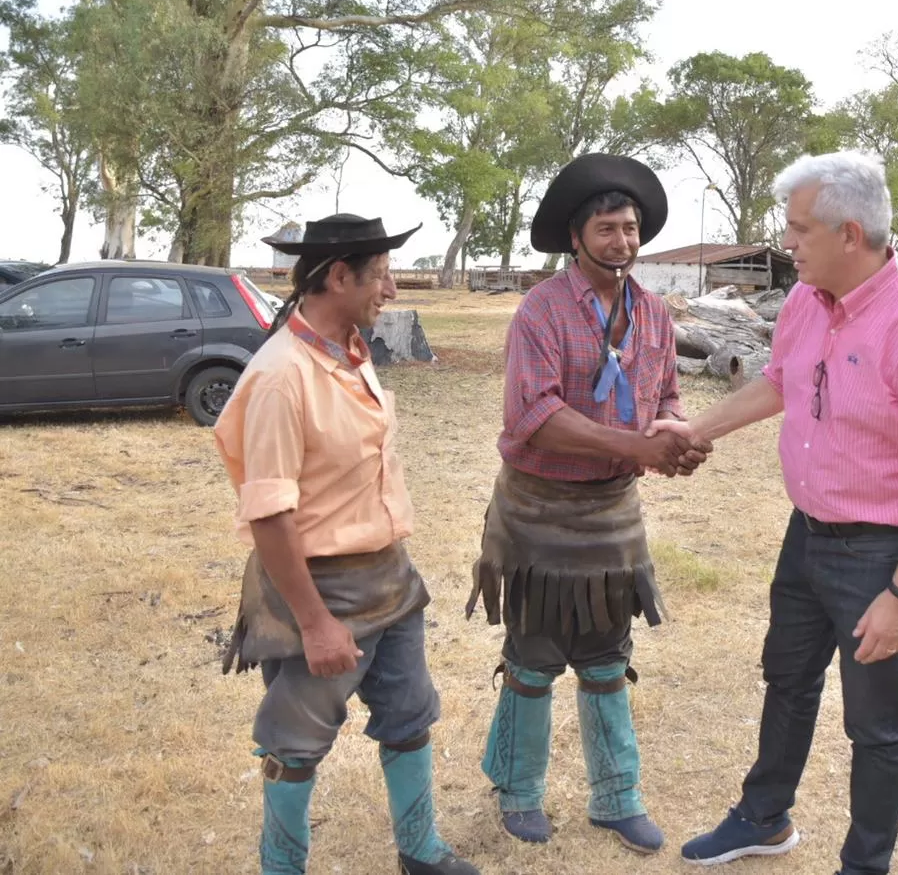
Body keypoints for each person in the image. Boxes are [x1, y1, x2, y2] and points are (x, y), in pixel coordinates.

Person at [655, 151, 898, 874]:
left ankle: (865, 865)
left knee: (875, 724)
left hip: (879, 556)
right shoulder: (806, 300)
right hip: (805, 536)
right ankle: (764, 819)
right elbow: (780, 382)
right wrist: (695, 430)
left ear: (851, 233)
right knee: (787, 680)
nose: (788, 243)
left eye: (800, 229)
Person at [213, 213, 479, 875]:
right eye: (381, 276)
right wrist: (315, 623)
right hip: (320, 590)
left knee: (410, 717)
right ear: (339, 276)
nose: (389, 289)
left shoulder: (351, 354)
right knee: (295, 743)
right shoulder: (281, 376)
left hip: (390, 579)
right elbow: (270, 515)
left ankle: (421, 853)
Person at [466, 153, 710, 855]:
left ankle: (616, 797)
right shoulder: (541, 310)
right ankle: (517, 791)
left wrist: (676, 439)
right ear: (577, 238)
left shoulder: (654, 313)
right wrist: (636, 449)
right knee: (534, 658)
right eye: (607, 229)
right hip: (538, 512)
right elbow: (534, 416)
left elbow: (663, 397)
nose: (623, 243)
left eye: (630, 229)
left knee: (607, 660)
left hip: (612, 516)